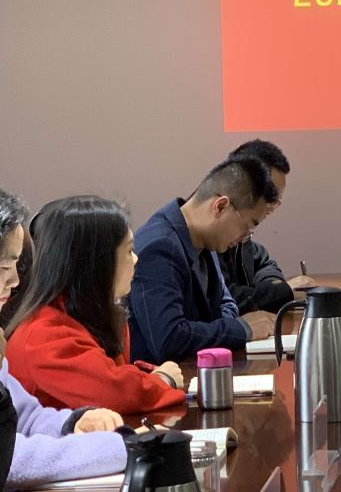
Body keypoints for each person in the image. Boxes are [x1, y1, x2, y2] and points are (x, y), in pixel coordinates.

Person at [5, 196, 185, 413]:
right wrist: (163, 380)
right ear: (95, 263)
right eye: (128, 251)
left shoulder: (83, 313)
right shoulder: (43, 335)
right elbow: (113, 393)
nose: (136, 259)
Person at [0, 188, 130, 488]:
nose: (15, 280)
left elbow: (26, 416)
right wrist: (120, 448)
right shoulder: (42, 331)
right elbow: (9, 458)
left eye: (17, 265)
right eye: (5, 266)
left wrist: (73, 423)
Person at [128, 157, 280, 362]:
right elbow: (170, 339)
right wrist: (243, 329)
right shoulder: (160, 247)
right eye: (247, 226)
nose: (245, 237)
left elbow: (225, 305)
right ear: (220, 206)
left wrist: (224, 326)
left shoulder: (204, 239)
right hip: (162, 377)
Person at [218, 139, 315, 314]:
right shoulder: (206, 240)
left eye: (277, 199)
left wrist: (273, 286)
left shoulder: (242, 235)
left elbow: (263, 263)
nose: (272, 206)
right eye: (270, 196)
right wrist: (283, 291)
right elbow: (225, 298)